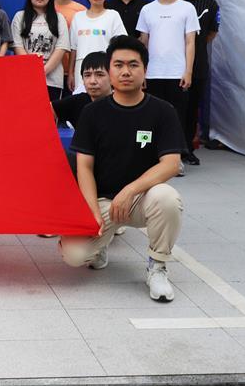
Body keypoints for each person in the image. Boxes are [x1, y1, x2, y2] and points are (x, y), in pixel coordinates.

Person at [59, 35, 184, 302]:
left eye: (133, 65)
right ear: (110, 70)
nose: (126, 71)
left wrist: (130, 191)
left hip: (141, 199)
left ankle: (157, 267)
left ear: (145, 70)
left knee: (167, 198)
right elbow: (84, 167)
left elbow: (171, 164)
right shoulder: (92, 113)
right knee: (74, 256)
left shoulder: (163, 111)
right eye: (118, 65)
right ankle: (101, 245)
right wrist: (93, 212)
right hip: (103, 200)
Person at [136, 0, 199, 173]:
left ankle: (175, 160)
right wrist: (142, 72)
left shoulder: (187, 8)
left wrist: (188, 71)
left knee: (176, 119)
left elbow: (190, 42)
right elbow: (143, 43)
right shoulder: (147, 10)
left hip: (177, 73)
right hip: (152, 74)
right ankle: (148, 158)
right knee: (149, 117)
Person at [178, 0, 220, 165]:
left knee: (192, 108)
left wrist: (196, 46)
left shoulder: (210, 5)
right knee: (175, 109)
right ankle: (172, 150)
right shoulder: (174, 2)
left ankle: (187, 149)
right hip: (175, 64)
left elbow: (212, 33)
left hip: (199, 65)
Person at [11, 0, 71, 101]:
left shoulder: (59, 18)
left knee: (50, 112)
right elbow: (18, 46)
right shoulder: (19, 17)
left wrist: (43, 71)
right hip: (26, 76)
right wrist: (33, 70)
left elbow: (61, 48)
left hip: (53, 79)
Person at [68, 0, 127, 93]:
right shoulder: (78, 17)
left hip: (104, 68)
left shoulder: (113, 15)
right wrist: (70, 73)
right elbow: (73, 49)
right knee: (82, 100)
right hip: (82, 70)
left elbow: (121, 45)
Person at [52, 51, 111, 127]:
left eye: (99, 75)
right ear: (82, 79)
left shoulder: (121, 103)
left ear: (112, 77)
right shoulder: (77, 101)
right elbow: (43, 112)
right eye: (87, 75)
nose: (92, 81)